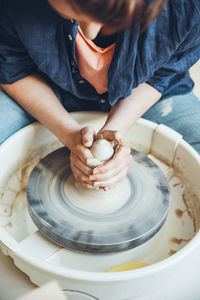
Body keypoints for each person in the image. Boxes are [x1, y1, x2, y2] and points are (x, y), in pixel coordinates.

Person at [0, 0, 200, 191]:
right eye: (69, 13)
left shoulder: (185, 8)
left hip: (148, 91)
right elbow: (15, 70)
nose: (89, 32)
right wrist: (69, 135)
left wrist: (114, 131)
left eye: (113, 20)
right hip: (46, 87)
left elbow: (162, 75)